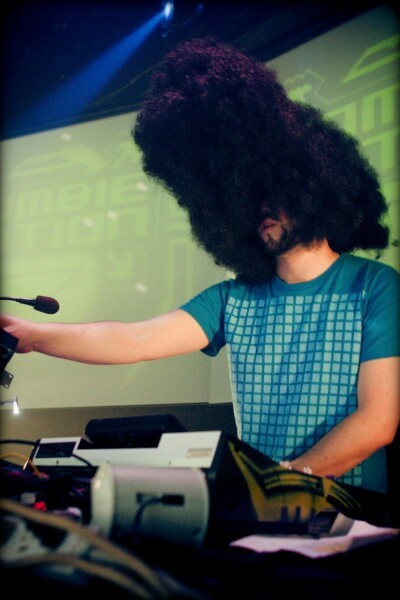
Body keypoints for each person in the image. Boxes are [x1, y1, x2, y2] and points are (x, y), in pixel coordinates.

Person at [1, 37, 399, 497]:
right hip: (263, 511)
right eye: (249, 195)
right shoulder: (234, 299)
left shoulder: (375, 286)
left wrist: (280, 484)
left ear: (315, 185)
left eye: (275, 191)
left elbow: (378, 420)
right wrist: (33, 336)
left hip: (350, 512)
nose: (261, 207)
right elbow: (136, 340)